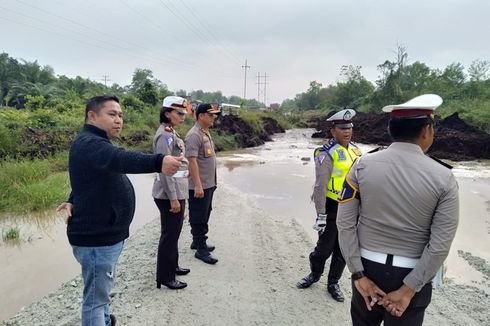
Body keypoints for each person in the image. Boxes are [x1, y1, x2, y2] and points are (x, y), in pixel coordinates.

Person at [57, 95, 182, 326]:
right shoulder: (90, 144)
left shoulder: (95, 143)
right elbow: (119, 158)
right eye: (112, 114)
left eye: (121, 115)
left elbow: (88, 178)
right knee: (94, 299)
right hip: (97, 240)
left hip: (105, 236)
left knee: (101, 292)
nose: (119, 120)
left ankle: (105, 320)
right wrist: (158, 162)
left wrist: (73, 198)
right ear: (92, 116)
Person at [336, 94, 459, 326]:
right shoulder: (444, 178)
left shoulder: (361, 166)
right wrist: (409, 289)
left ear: (391, 129)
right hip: (412, 269)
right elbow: (440, 244)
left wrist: (358, 275)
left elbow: (345, 224)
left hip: (366, 266)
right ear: (426, 131)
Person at [297, 108, 362, 302]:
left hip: (351, 208)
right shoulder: (325, 152)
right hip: (332, 206)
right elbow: (320, 185)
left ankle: (333, 283)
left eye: (349, 127)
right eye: (342, 128)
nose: (347, 131)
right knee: (323, 250)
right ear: (333, 130)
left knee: (342, 250)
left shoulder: (356, 150)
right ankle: (314, 274)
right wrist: (321, 215)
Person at [152, 96, 191, 290]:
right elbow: (164, 170)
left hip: (177, 190)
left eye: (184, 113)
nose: (183, 117)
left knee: (174, 233)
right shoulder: (164, 136)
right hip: (168, 194)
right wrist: (174, 199)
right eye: (179, 113)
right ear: (167, 113)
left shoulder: (171, 133)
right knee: (169, 235)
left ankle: (173, 266)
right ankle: (165, 277)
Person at [185, 103, 221, 264]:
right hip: (199, 185)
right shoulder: (194, 135)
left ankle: (197, 241)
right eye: (210, 115)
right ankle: (201, 249)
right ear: (201, 116)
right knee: (199, 215)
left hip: (208, 183)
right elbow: (191, 161)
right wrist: (198, 185)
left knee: (206, 212)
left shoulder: (204, 132)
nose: (214, 117)